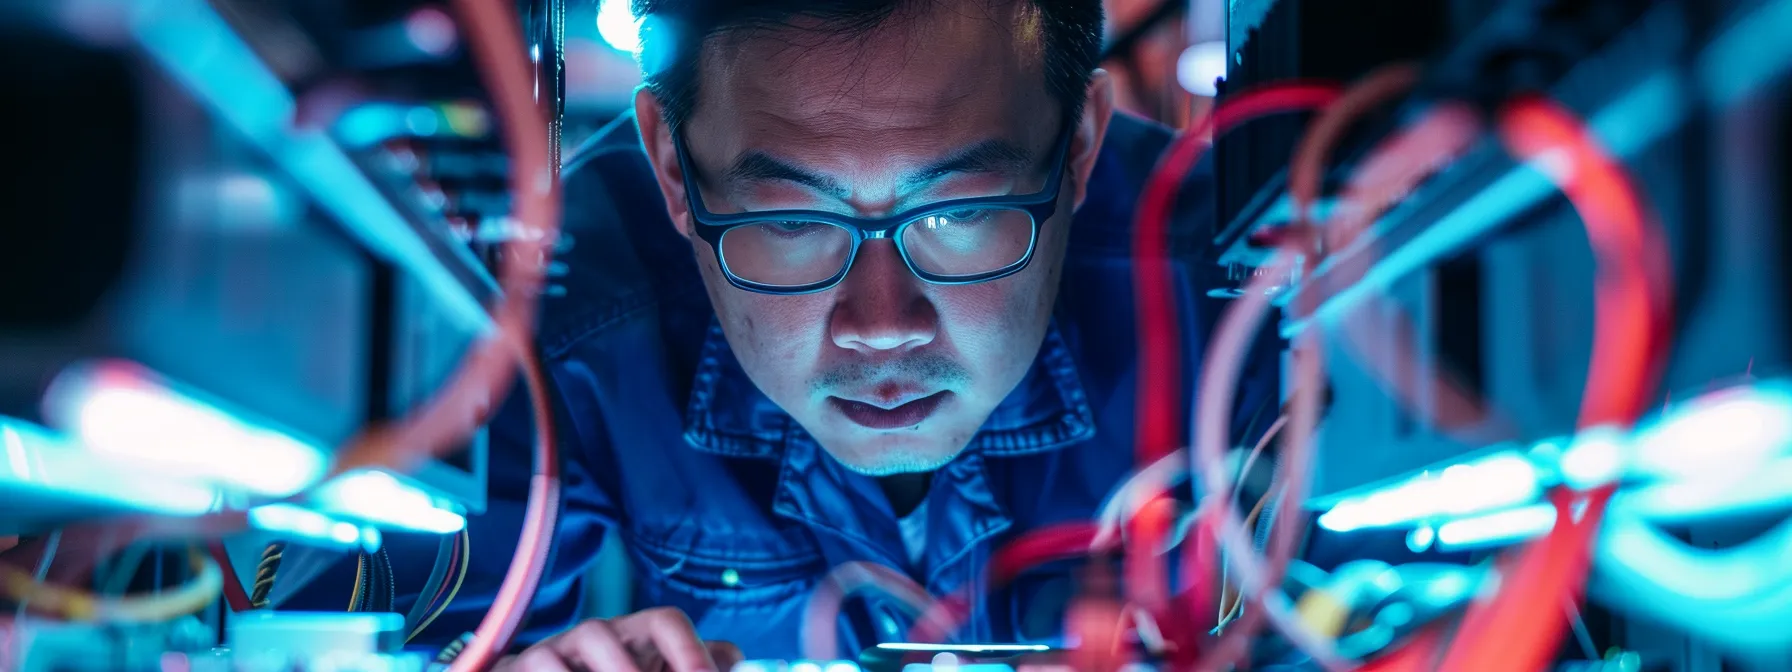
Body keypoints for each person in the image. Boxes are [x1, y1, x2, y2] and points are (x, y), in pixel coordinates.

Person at [282, 0, 1283, 668]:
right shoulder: (554, 310)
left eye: (957, 213)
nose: (880, 326)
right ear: (673, 171)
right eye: (792, 224)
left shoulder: (1250, 298)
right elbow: (344, 632)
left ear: (1077, 150)